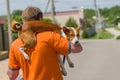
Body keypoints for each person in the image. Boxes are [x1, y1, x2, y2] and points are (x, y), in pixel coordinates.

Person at [7, 6, 83, 80]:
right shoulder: (51, 36)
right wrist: (74, 34)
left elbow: (12, 76)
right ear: (40, 19)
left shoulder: (14, 45)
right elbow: (78, 49)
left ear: (24, 21)